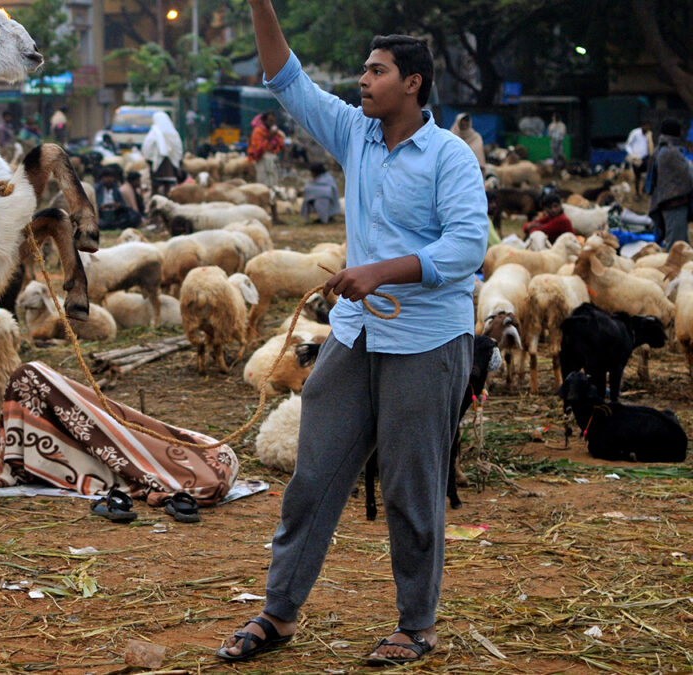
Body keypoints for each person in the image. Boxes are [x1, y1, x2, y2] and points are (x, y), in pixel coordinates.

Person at [219, 2, 487, 666]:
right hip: (356, 333)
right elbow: (288, 79)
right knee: (312, 476)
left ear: (413, 83)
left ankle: (417, 623)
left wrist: (381, 272)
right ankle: (279, 613)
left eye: (376, 71)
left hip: (426, 340)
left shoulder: (449, 158)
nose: (363, 82)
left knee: (410, 483)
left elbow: (467, 248)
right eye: (365, 71)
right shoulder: (354, 136)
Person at [0, 361, 239, 510]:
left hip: (207, 462)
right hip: (215, 464)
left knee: (131, 439)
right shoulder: (42, 425)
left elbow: (105, 431)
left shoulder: (62, 412)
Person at [646, 118, 693, 250]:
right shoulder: (671, 152)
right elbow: (687, 176)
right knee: (675, 246)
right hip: (674, 203)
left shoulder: (661, 150)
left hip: (668, 202)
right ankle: (669, 270)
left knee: (682, 244)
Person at [142, 111, 183, 196]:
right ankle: (167, 201)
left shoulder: (153, 133)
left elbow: (147, 146)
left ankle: (154, 202)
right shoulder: (173, 133)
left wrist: (149, 159)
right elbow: (178, 147)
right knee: (168, 186)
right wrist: (175, 159)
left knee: (155, 186)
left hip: (156, 164)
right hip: (169, 164)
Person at [248, 111, 285, 189]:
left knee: (274, 182)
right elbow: (258, 148)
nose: (272, 123)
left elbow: (281, 145)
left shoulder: (275, 132)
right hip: (262, 160)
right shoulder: (258, 131)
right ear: (264, 121)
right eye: (270, 121)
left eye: (274, 121)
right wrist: (270, 136)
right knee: (263, 184)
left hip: (272, 160)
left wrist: (277, 135)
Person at [626, 121, 653, 198]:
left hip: (645, 157)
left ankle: (645, 188)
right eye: (645, 126)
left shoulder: (649, 134)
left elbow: (650, 145)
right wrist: (632, 154)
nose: (646, 128)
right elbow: (628, 145)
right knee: (637, 176)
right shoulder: (635, 133)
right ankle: (637, 192)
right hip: (636, 158)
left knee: (650, 171)